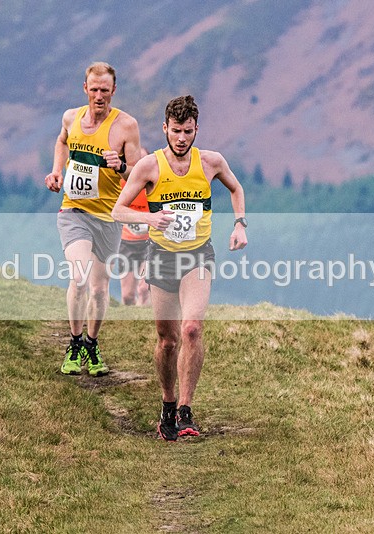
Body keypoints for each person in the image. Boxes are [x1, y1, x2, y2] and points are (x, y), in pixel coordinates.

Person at [112, 95, 247, 441]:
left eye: (188, 131)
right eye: (176, 131)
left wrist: (239, 224)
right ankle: (168, 406)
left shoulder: (212, 162)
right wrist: (149, 217)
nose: (182, 138)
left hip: (197, 256)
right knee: (168, 340)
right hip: (161, 257)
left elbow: (236, 187)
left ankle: (186, 410)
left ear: (196, 129)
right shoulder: (149, 167)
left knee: (191, 329)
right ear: (165, 129)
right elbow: (118, 210)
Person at [45, 61, 142, 377]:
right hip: (74, 211)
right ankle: (74, 343)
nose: (99, 96)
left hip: (109, 217)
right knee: (79, 275)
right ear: (84, 89)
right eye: (94, 89)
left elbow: (140, 173)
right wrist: (57, 171)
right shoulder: (71, 118)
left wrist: (120, 166)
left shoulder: (126, 126)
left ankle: (91, 343)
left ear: (114, 91)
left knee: (101, 290)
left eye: (105, 90)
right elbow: (62, 141)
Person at [117, 147, 151, 306]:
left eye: (143, 162)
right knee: (127, 296)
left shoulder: (154, 185)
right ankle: (130, 324)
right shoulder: (122, 184)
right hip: (126, 243)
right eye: (136, 163)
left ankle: (147, 324)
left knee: (144, 289)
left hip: (149, 243)